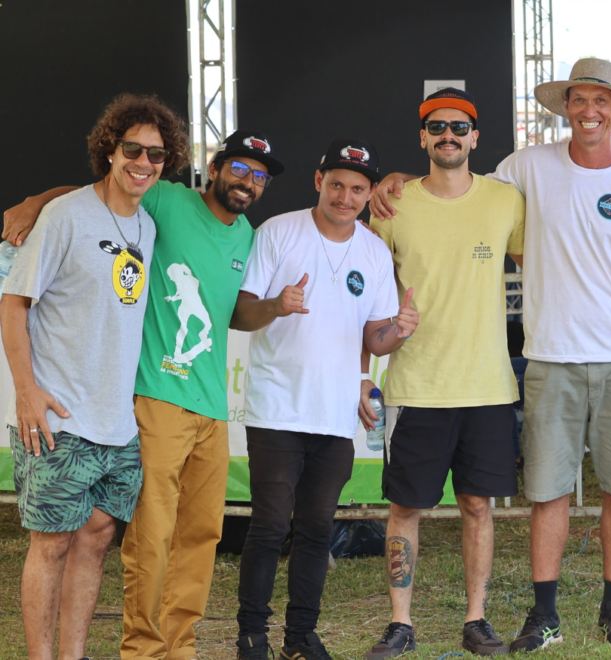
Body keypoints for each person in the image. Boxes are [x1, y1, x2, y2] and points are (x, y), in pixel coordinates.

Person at [370, 58, 611, 651]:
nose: (589, 110)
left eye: (602, 100)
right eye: (579, 99)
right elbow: (455, 183)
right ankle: (545, 614)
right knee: (547, 491)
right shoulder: (526, 168)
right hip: (550, 357)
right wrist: (398, 180)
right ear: (566, 107)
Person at [3, 128, 285, 660]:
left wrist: (275, 307)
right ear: (215, 167)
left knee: (200, 536)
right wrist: (35, 201)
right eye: (240, 168)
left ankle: (180, 647)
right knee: (149, 535)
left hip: (211, 407)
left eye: (260, 176)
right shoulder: (167, 201)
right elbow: (102, 193)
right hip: (155, 396)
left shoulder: (249, 237)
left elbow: (236, 313)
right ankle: (143, 650)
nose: (248, 181)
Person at [0, 94, 188, 660]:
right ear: (110, 149)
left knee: (97, 540)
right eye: (133, 149)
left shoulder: (148, 226)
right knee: (51, 544)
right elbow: (13, 304)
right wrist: (26, 393)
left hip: (117, 424)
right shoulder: (64, 216)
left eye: (156, 155)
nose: (144, 162)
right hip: (58, 419)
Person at [231, 139, 417, 660]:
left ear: (370, 193)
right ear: (319, 181)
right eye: (336, 184)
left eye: (357, 189)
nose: (344, 197)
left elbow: (374, 336)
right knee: (271, 524)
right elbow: (240, 313)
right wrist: (277, 305)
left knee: (316, 528)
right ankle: (251, 635)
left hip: (335, 415)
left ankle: (300, 637)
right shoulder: (278, 231)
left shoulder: (374, 251)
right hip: (277, 407)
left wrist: (400, 331)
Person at [361, 88, 525, 659]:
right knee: (405, 509)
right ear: (422, 137)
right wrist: (365, 366)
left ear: (475, 137)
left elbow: (545, 262)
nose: (448, 135)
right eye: (437, 127)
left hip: (487, 385)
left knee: (478, 506)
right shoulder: (392, 205)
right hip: (417, 385)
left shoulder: (506, 201)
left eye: (459, 127)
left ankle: (476, 619)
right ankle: (400, 623)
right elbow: (365, 294)